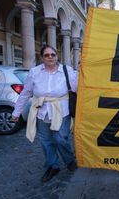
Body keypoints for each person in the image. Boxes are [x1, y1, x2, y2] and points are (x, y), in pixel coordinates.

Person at [11, 45, 78, 183]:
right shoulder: (34, 72)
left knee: (60, 139)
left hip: (61, 111)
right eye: (46, 55)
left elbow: (78, 88)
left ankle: (69, 160)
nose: (50, 57)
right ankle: (52, 166)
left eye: (52, 54)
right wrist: (16, 111)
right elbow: (26, 93)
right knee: (46, 141)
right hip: (41, 112)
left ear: (57, 56)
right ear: (42, 57)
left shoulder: (67, 71)